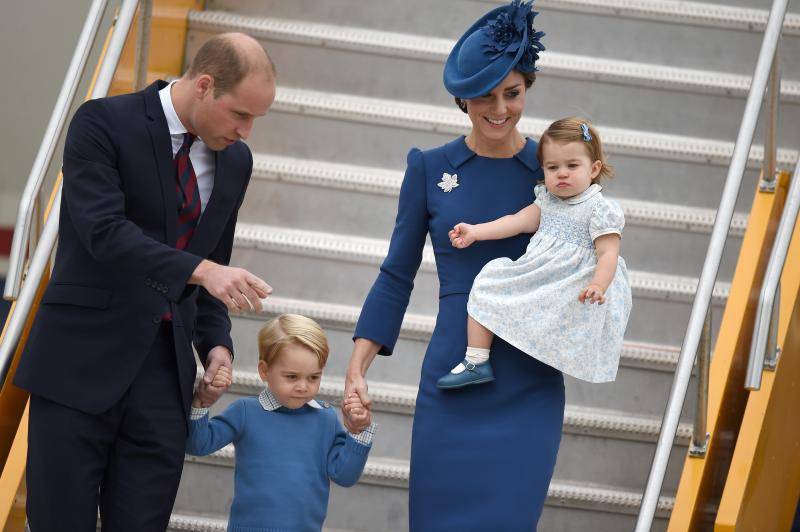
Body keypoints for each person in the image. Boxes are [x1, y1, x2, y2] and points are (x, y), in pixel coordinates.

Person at [15, 33, 275, 531]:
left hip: (164, 378)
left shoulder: (235, 161)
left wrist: (216, 344)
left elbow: (212, 260)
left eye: (255, 119)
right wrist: (203, 272)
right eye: (240, 114)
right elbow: (103, 232)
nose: (246, 131)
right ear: (204, 85)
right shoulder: (102, 122)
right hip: (78, 364)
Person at [342, 1, 564, 529]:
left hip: (530, 380)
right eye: (484, 95)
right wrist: (357, 365)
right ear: (461, 98)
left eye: (512, 92)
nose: (499, 108)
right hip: (454, 377)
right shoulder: (429, 168)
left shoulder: (552, 169)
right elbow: (396, 275)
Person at [437, 117, 632, 389]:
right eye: (553, 167)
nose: (562, 173)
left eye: (572, 166)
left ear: (594, 168)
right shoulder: (547, 201)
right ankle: (476, 360)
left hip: (574, 284)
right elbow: (517, 221)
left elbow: (608, 253)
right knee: (489, 280)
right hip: (540, 277)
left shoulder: (599, 209)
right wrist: (476, 231)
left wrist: (599, 284)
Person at [186, 314, 376, 532]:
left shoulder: (326, 419)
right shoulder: (246, 412)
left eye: (313, 377)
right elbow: (197, 445)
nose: (303, 387)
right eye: (292, 377)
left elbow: (345, 475)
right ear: (264, 371)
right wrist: (201, 403)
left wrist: (358, 430)